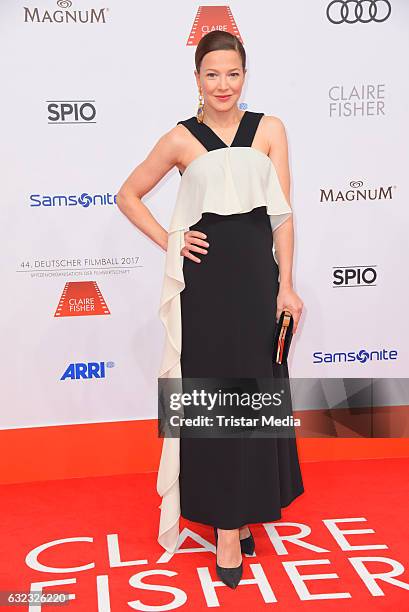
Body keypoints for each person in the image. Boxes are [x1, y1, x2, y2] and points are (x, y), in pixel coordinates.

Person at [117, 30, 304, 589]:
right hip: (205, 290)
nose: (223, 85)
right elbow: (128, 194)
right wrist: (173, 240)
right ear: (196, 79)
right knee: (213, 394)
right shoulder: (181, 138)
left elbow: (283, 216)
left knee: (253, 392)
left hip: (256, 283)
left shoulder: (270, 130)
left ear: (245, 76)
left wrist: (286, 286)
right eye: (212, 74)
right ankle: (226, 525)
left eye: (233, 74)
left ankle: (244, 509)